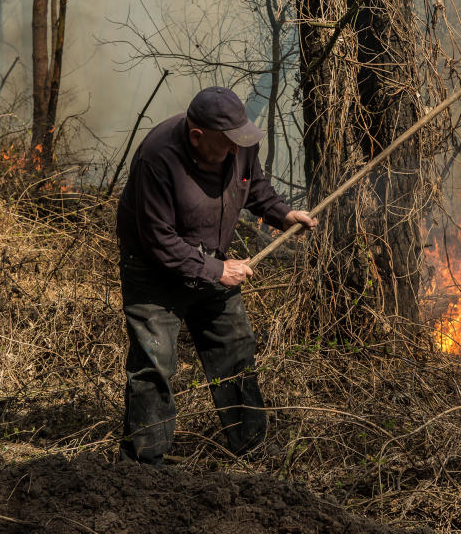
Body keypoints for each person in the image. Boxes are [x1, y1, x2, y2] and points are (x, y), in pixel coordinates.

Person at [115, 86, 316, 464]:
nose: (236, 151)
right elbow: (158, 239)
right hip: (154, 270)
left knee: (235, 350)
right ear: (197, 136)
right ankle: (143, 463)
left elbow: (255, 188)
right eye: (228, 144)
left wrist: (283, 214)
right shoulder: (157, 158)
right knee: (154, 362)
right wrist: (216, 270)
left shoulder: (239, 143)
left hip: (212, 263)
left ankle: (250, 444)